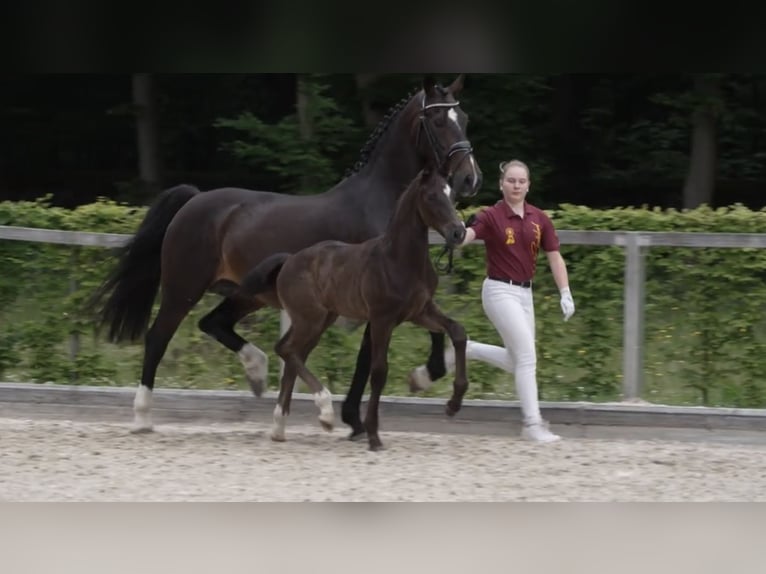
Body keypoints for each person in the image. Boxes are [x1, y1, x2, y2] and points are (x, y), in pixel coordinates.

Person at [409, 159, 575, 443]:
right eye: (511, 180)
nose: (516, 185)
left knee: (517, 361)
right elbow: (465, 238)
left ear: (528, 185)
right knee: (527, 358)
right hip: (499, 291)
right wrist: (458, 230)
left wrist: (565, 291)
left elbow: (554, 256)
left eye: (521, 181)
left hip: (525, 294)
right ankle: (532, 424)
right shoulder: (491, 216)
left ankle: (468, 350)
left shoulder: (539, 219)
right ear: (501, 184)